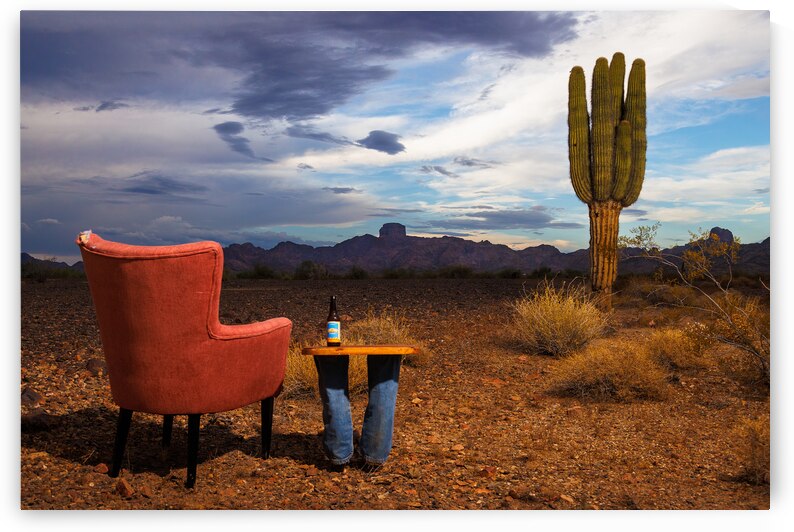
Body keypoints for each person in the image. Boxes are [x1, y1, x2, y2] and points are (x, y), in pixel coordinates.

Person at [313, 354, 402, 472]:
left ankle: (339, 454)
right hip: (379, 339)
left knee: (332, 361)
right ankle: (374, 456)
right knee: (386, 361)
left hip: (339, 338)